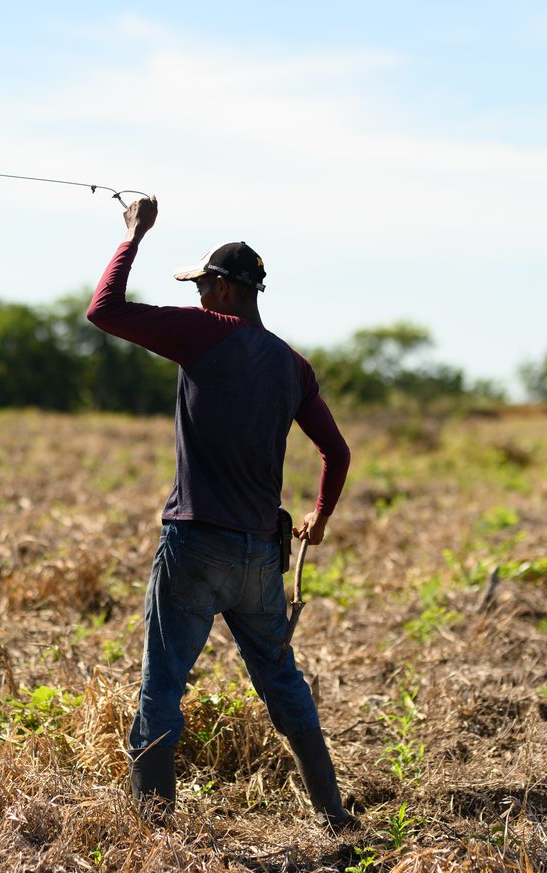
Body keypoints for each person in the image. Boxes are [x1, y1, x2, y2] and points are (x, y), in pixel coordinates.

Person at [86, 195, 357, 832]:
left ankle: (152, 831)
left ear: (228, 291)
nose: (201, 296)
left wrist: (133, 236)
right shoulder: (293, 365)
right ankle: (335, 816)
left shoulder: (205, 331)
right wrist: (319, 517)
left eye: (206, 285)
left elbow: (104, 311)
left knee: (162, 685)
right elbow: (336, 452)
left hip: (194, 546)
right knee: (282, 682)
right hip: (261, 555)